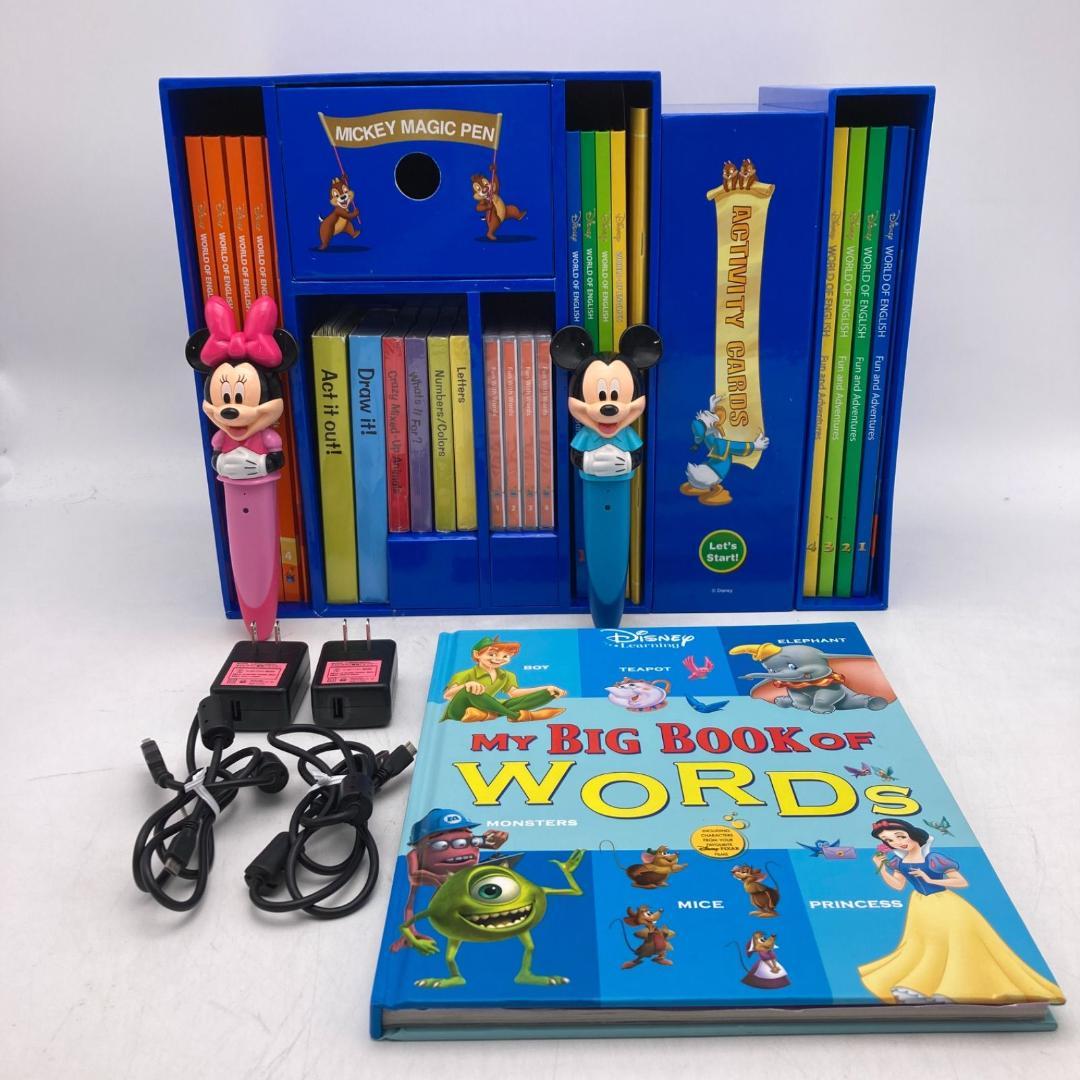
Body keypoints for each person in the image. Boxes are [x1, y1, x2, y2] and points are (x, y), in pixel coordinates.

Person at [858, 819, 1063, 1004]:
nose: (897, 842)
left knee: (959, 946)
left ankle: (955, 989)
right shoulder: (899, 862)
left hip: (947, 904)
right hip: (920, 906)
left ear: (912, 834)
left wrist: (929, 879)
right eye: (889, 840)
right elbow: (897, 886)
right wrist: (882, 868)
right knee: (928, 947)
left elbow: (961, 881)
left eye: (900, 836)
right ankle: (922, 986)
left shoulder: (934, 858)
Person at [441, 636, 566, 722]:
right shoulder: (464, 674)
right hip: (458, 711)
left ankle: (482, 715)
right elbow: (447, 695)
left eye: (505, 656)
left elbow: (514, 694)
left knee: (548, 693)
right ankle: (518, 716)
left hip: (488, 707)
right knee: (471, 691)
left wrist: (546, 688)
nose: (498, 659)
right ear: (477, 654)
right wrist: (467, 685)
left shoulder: (507, 675)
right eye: (491, 654)